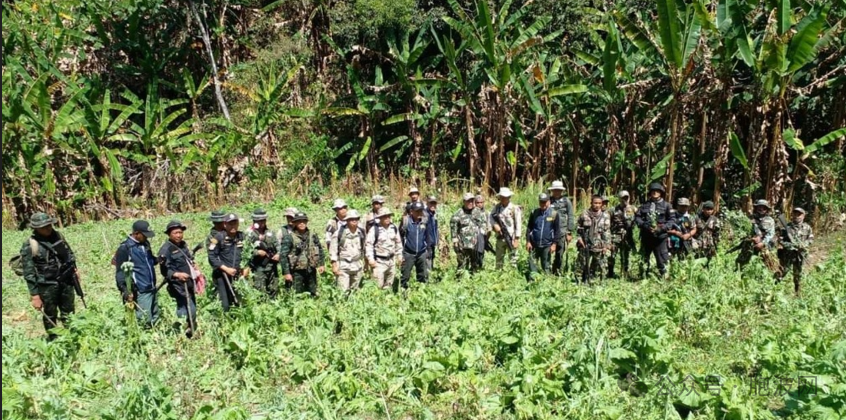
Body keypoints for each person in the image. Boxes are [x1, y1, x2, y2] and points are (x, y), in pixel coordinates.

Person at [19, 212, 79, 339]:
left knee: (69, 311)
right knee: (50, 314)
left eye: (49, 225)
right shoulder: (30, 245)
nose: (48, 228)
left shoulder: (58, 236)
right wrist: (35, 295)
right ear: (35, 228)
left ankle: (72, 336)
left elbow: (69, 254)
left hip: (66, 280)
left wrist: (75, 270)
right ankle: (54, 339)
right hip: (46, 285)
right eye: (44, 227)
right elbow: (29, 272)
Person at [157, 221, 199, 337]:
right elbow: (165, 271)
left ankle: (191, 331)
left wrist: (194, 265)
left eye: (180, 232)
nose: (179, 235)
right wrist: (177, 274)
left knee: (192, 307)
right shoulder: (166, 250)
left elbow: (188, 259)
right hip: (178, 285)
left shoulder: (183, 245)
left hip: (189, 283)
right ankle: (182, 332)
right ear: (169, 234)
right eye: (175, 233)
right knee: (185, 308)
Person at [115, 220, 160, 327]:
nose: (147, 238)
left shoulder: (145, 244)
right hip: (141, 290)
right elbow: (120, 272)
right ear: (136, 234)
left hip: (152, 287)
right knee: (145, 321)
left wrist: (157, 260)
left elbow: (149, 261)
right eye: (145, 235)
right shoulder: (125, 248)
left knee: (155, 317)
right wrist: (125, 290)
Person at [634, 182, 675, 278]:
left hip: (660, 238)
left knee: (661, 258)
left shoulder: (667, 205)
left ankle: (664, 277)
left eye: (657, 191)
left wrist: (661, 228)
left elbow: (672, 220)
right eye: (653, 191)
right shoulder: (644, 205)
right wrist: (644, 225)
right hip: (646, 237)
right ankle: (643, 276)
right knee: (644, 258)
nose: (655, 193)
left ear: (661, 192)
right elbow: (637, 218)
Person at [280, 212, 325, 297]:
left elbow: (320, 249)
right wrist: (286, 273)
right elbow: (283, 256)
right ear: (295, 223)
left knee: (313, 294)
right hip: (296, 271)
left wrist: (321, 264)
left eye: (304, 221)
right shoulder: (289, 237)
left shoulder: (313, 235)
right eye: (299, 221)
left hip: (311, 270)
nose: (302, 223)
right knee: (297, 295)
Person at [208, 213, 245, 311]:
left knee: (238, 302)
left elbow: (247, 253)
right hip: (222, 275)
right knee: (225, 304)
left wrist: (246, 268)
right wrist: (225, 269)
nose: (233, 226)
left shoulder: (241, 236)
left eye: (235, 223)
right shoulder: (218, 238)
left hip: (237, 275)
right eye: (230, 224)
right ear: (225, 224)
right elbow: (212, 257)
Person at [777, 207, 813, 296]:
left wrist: (804, 245)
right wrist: (790, 246)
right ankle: (774, 288)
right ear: (792, 215)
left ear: (803, 216)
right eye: (795, 214)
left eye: (799, 214)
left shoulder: (807, 227)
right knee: (782, 272)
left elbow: (811, 239)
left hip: (799, 256)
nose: (797, 216)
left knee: (798, 275)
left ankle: (797, 292)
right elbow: (780, 240)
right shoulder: (786, 227)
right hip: (787, 255)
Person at [526, 193, 563, 280]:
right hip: (534, 244)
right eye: (541, 202)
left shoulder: (554, 214)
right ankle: (532, 282)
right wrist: (528, 241)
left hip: (547, 244)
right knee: (532, 264)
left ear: (549, 202)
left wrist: (554, 244)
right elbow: (529, 228)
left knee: (546, 265)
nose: (543, 204)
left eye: (545, 202)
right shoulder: (534, 212)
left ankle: (547, 282)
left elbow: (557, 231)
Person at [245, 208, 280, 298]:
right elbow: (245, 251)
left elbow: (278, 245)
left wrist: (278, 254)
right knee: (260, 291)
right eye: (259, 221)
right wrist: (257, 252)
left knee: (274, 289)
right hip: (258, 267)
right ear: (254, 221)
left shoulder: (270, 233)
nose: (261, 223)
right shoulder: (250, 234)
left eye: (263, 221)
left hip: (272, 266)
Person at [576, 196, 612, 284]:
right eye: (595, 203)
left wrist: (606, 246)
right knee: (581, 264)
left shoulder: (605, 216)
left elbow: (606, 231)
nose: (597, 205)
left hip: (599, 245)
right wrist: (579, 238)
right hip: (585, 244)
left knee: (600, 265)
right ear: (591, 203)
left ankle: (598, 282)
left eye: (599, 203)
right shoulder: (584, 214)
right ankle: (579, 282)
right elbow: (577, 227)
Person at [366, 208, 403, 291]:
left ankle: (386, 301)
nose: (387, 218)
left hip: (391, 261)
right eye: (385, 217)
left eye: (388, 216)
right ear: (380, 218)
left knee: (389, 285)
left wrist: (399, 256)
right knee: (377, 286)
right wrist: (370, 259)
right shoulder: (374, 229)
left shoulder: (393, 228)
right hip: (379, 261)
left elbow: (398, 243)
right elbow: (369, 245)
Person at [450, 193, 487, 276]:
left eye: (471, 200)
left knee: (475, 264)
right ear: (464, 202)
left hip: (475, 244)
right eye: (468, 201)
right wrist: (455, 243)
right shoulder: (458, 214)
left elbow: (484, 222)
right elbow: (453, 229)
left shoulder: (478, 211)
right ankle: (459, 282)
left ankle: (473, 281)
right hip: (462, 245)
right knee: (462, 264)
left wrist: (482, 232)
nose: (470, 203)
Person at [330, 210, 366, 293]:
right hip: (343, 266)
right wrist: (334, 265)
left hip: (357, 265)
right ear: (347, 220)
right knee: (342, 291)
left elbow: (364, 248)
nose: (354, 221)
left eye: (356, 219)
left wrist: (365, 263)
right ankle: (342, 305)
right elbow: (333, 251)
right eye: (351, 219)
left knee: (354, 291)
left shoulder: (361, 232)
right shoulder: (339, 233)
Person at [735, 199, 777, 270]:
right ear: (756, 208)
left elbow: (771, 234)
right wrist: (751, 239)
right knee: (740, 263)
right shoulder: (749, 218)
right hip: (749, 244)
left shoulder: (770, 220)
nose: (761, 209)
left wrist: (762, 243)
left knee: (767, 266)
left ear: (767, 209)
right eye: (759, 207)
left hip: (763, 245)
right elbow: (743, 232)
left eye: (764, 207)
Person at [400, 201, 431, 288]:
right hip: (408, 253)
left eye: (421, 211)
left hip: (421, 253)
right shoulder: (406, 222)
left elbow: (427, 236)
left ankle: (420, 293)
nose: (419, 213)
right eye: (417, 211)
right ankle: (403, 294)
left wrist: (428, 250)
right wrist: (401, 253)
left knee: (422, 275)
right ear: (411, 212)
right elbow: (400, 237)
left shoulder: (424, 222)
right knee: (405, 276)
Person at [490, 187, 522, 269]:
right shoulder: (497, 207)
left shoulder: (514, 208)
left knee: (513, 259)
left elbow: (518, 224)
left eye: (505, 197)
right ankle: (499, 276)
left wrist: (517, 239)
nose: (503, 199)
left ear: (509, 197)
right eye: (502, 197)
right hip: (500, 237)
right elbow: (491, 217)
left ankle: (513, 276)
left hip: (511, 237)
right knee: (499, 259)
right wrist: (495, 225)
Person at [608, 190, 637, 279]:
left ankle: (624, 273)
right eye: (623, 198)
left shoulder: (633, 209)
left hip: (627, 236)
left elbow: (638, 220)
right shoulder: (613, 210)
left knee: (625, 255)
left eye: (626, 197)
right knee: (612, 255)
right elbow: (608, 222)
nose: (625, 200)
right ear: (619, 199)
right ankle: (610, 273)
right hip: (615, 235)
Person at [548, 181, 575, 275]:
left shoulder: (566, 201)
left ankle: (557, 270)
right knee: (548, 250)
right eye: (555, 190)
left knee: (560, 252)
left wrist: (569, 232)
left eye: (559, 190)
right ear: (552, 190)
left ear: (561, 191)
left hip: (562, 231)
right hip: (550, 230)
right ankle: (547, 270)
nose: (557, 192)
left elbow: (571, 216)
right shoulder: (549, 200)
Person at [693, 201, 721, 266]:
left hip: (709, 245)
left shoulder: (715, 220)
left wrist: (715, 245)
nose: (709, 211)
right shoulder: (696, 218)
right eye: (707, 209)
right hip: (698, 244)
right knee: (696, 262)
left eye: (711, 209)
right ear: (703, 209)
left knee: (708, 263)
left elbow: (716, 234)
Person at [474, 194, 491, 268]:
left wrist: (486, 239)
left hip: (483, 236)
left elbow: (489, 227)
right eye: (477, 202)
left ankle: (479, 267)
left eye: (481, 202)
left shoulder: (487, 213)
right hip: (473, 237)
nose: (479, 204)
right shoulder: (472, 212)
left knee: (481, 253)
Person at [425, 196, 440, 270]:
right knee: (428, 258)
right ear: (427, 204)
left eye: (434, 204)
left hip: (432, 242)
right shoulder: (425, 215)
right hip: (427, 242)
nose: (433, 206)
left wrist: (437, 240)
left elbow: (436, 229)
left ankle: (430, 274)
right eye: (431, 204)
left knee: (432, 257)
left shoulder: (434, 214)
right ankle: (428, 277)